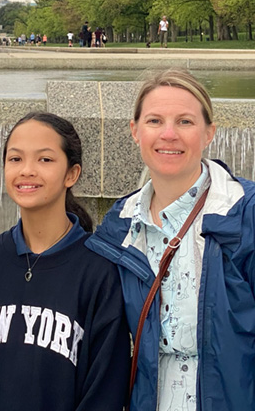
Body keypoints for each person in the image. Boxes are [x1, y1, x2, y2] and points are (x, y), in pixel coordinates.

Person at [86, 68, 255, 410]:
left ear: (210, 133)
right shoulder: (118, 229)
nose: (168, 134)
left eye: (185, 122)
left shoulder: (246, 215)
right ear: (135, 131)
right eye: (154, 121)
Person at [0, 112, 130, 411]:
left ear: (71, 174)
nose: (27, 170)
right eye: (16, 159)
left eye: (45, 160)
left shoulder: (100, 270)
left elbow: (106, 387)